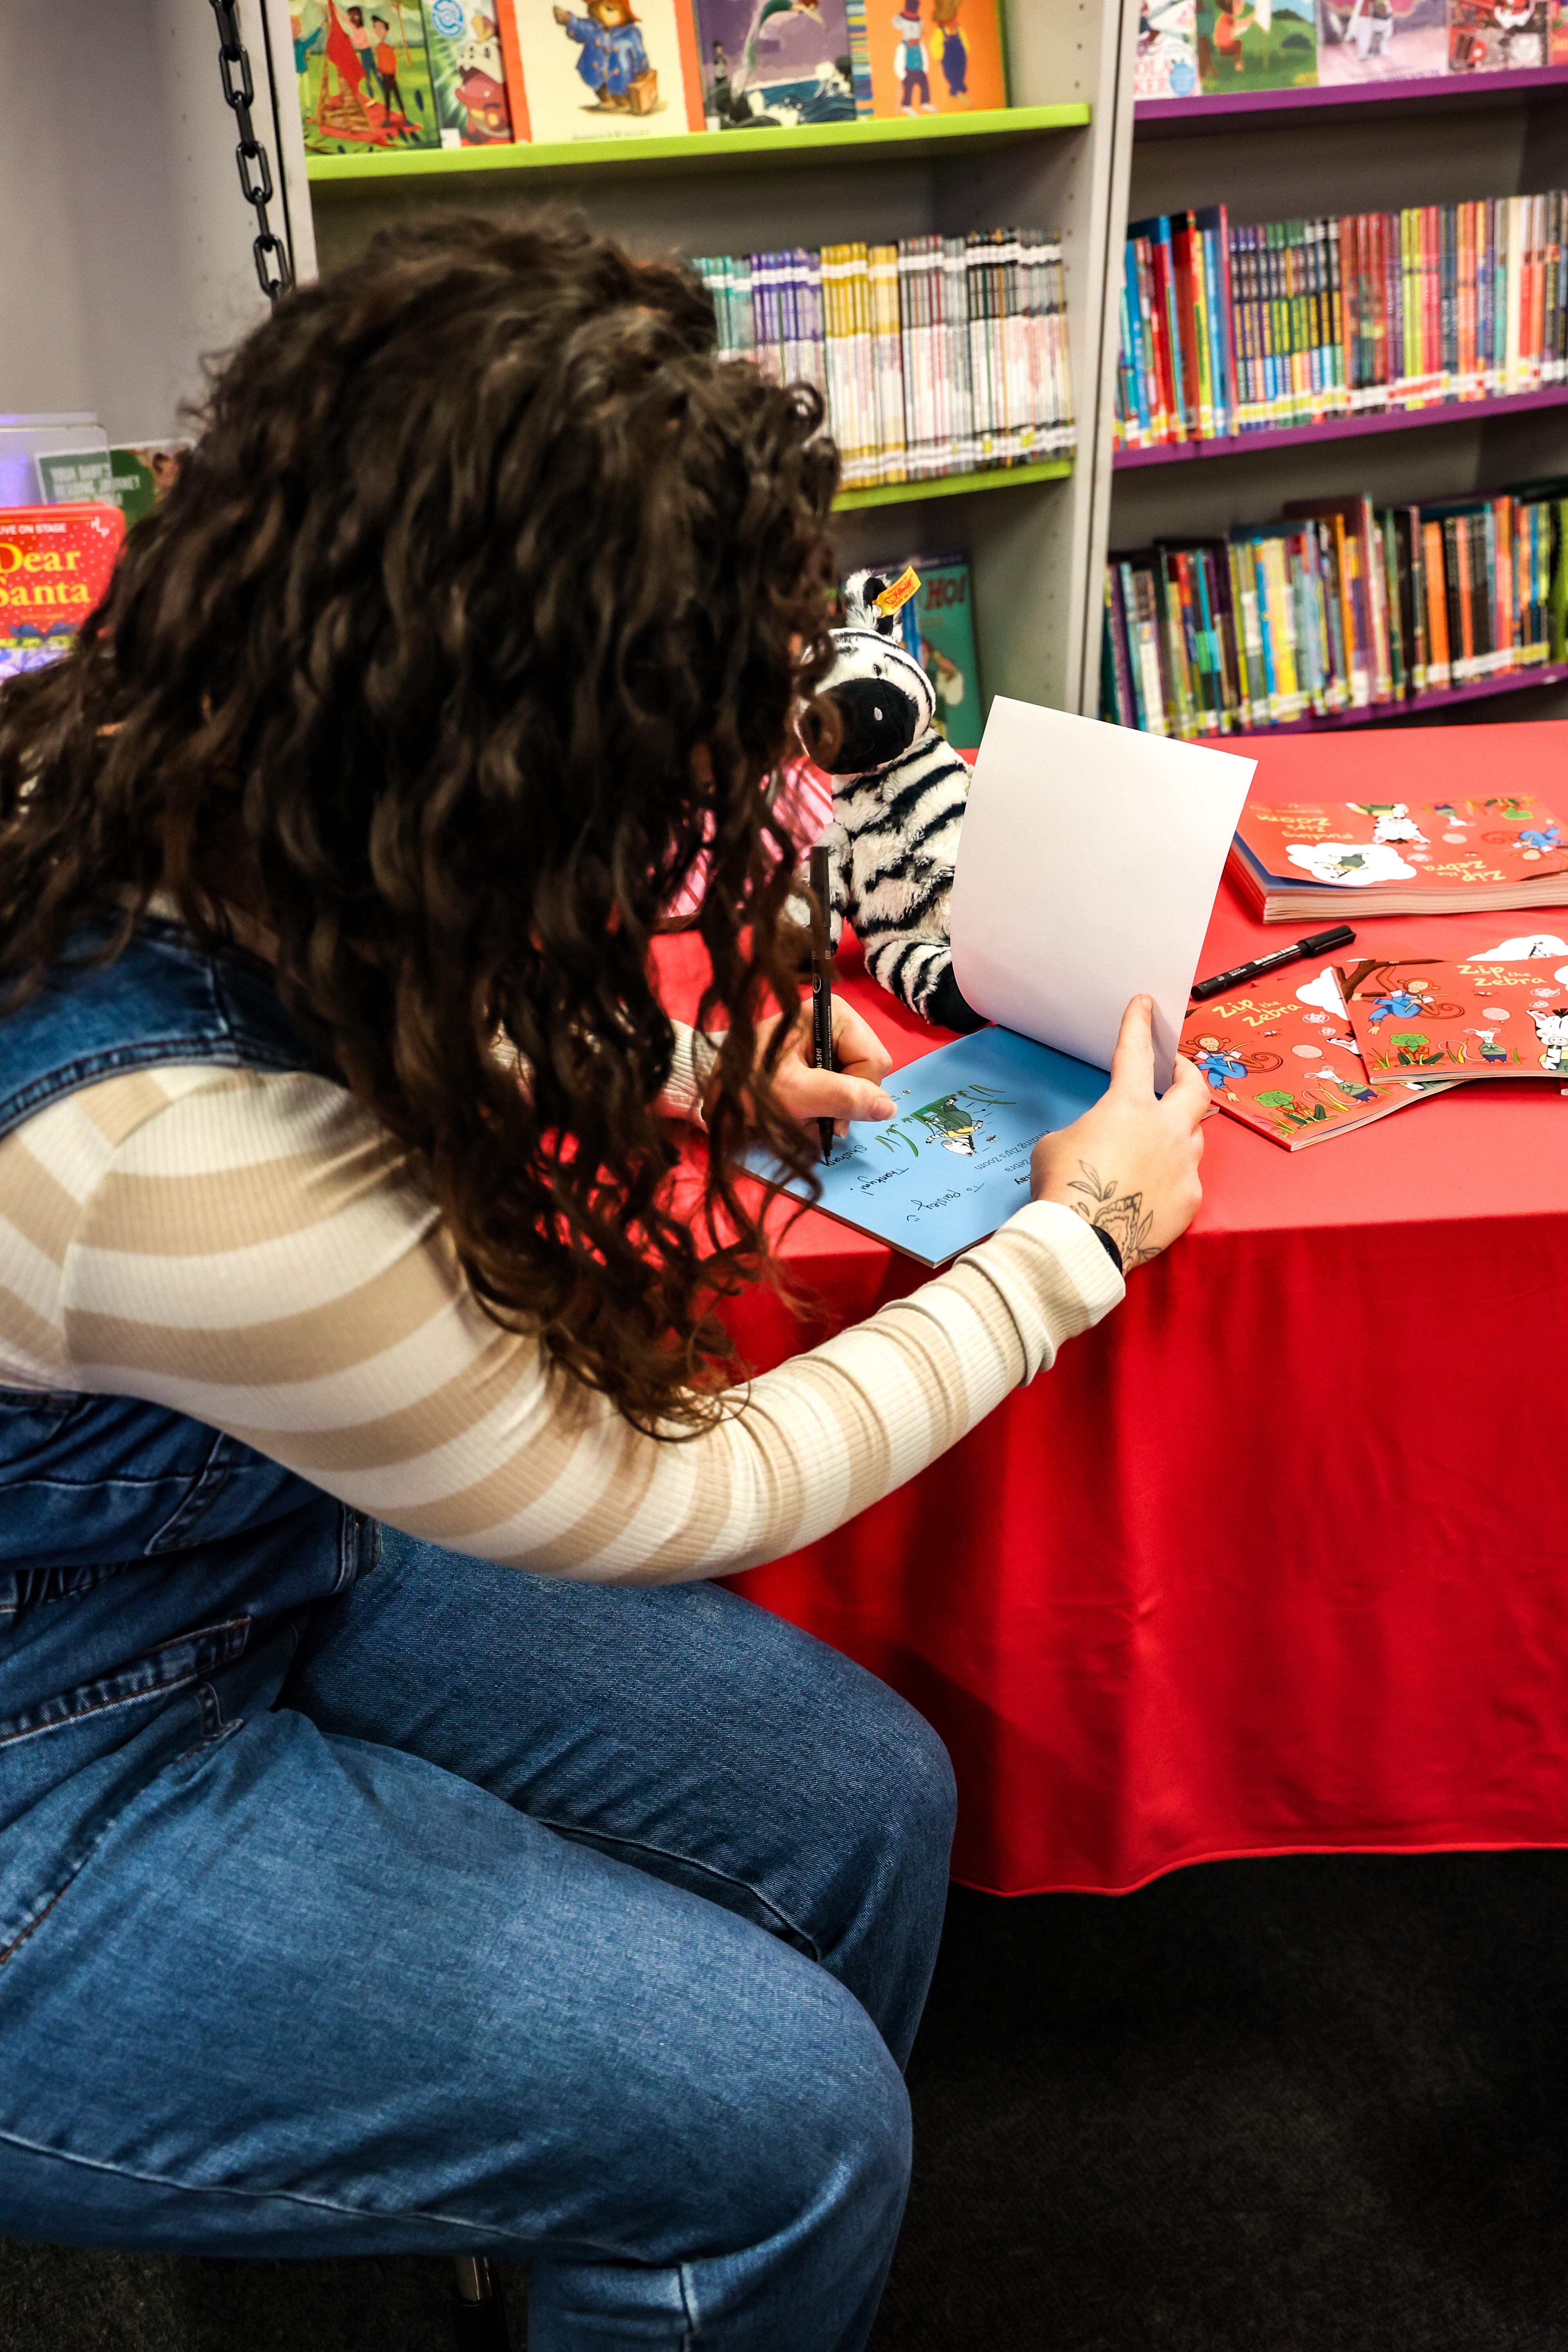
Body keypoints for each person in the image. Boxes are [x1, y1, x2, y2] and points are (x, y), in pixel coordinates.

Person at [0, 216, 1207, 2350]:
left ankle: (554, 2232)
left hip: (224, 1560)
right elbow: (672, 1490)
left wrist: (666, 1066)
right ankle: (637, 2215)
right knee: (788, 2127)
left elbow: (325, 971)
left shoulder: (163, 758)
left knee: (858, 1800)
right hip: (47, 1769)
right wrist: (1069, 1244)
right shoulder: (185, 1177)